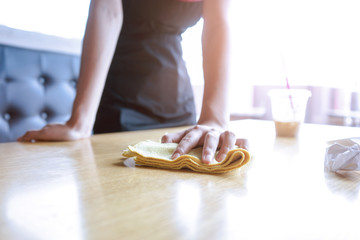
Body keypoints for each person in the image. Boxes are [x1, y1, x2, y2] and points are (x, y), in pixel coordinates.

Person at [18, 0, 247, 164]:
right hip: (119, 97)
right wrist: (79, 123)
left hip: (177, 104)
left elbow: (218, 23)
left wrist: (214, 120)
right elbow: (107, 11)